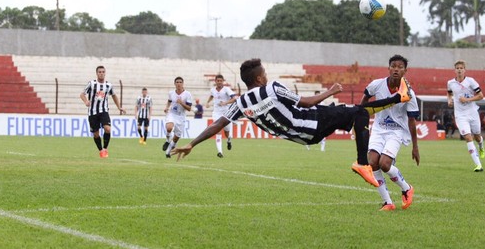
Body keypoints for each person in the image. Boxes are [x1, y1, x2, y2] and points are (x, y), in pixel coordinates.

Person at [171, 58, 411, 189]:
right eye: (264, 72)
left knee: (357, 111)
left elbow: (218, 125)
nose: (266, 75)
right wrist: (330, 91)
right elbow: (305, 103)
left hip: (303, 136)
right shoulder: (273, 87)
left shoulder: (242, 103)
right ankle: (362, 163)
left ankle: (397, 100)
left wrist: (192, 144)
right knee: (359, 113)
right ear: (259, 78)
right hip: (313, 121)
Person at [361, 54, 418, 211]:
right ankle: (388, 202)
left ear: (405, 71)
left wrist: (415, 147)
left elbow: (412, 120)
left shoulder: (409, 94)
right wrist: (360, 116)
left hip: (396, 132)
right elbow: (364, 99)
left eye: (400, 67)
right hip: (378, 129)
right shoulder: (377, 85)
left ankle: (406, 188)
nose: (396, 69)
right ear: (388, 68)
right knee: (372, 163)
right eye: (393, 66)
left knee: (384, 164)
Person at [446, 60, 485, 172]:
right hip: (460, 115)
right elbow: (449, 92)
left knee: (477, 136)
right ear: (455, 70)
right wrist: (449, 100)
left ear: (465, 70)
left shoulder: (471, 81)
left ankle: (481, 146)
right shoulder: (450, 83)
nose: (459, 70)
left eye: (461, 68)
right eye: (457, 68)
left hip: (472, 112)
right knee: (468, 137)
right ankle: (478, 165)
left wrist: (467, 99)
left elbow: (481, 96)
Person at [79, 65, 125, 158]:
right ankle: (100, 150)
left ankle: (105, 149)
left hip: (104, 111)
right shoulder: (91, 84)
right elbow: (82, 94)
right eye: (99, 72)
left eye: (103, 72)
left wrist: (119, 107)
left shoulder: (108, 85)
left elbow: (114, 96)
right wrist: (86, 101)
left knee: (107, 129)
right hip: (92, 112)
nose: (101, 73)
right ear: (97, 73)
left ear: (105, 73)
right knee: (96, 134)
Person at [205, 74, 236, 158]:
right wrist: (208, 102)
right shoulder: (213, 90)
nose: (219, 82)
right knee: (217, 130)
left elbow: (234, 98)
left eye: (220, 81)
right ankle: (220, 152)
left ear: (223, 81)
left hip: (226, 113)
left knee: (227, 133)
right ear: (215, 81)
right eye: (217, 81)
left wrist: (225, 103)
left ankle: (229, 140)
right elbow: (212, 96)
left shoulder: (226, 89)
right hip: (216, 113)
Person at [162, 77, 193, 158]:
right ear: (174, 84)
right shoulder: (171, 93)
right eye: (177, 82)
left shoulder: (187, 94)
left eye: (180, 82)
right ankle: (168, 140)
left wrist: (182, 103)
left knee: (176, 138)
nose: (178, 84)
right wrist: (167, 107)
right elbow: (169, 101)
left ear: (183, 83)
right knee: (169, 128)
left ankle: (168, 152)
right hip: (172, 114)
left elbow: (189, 108)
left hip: (181, 116)